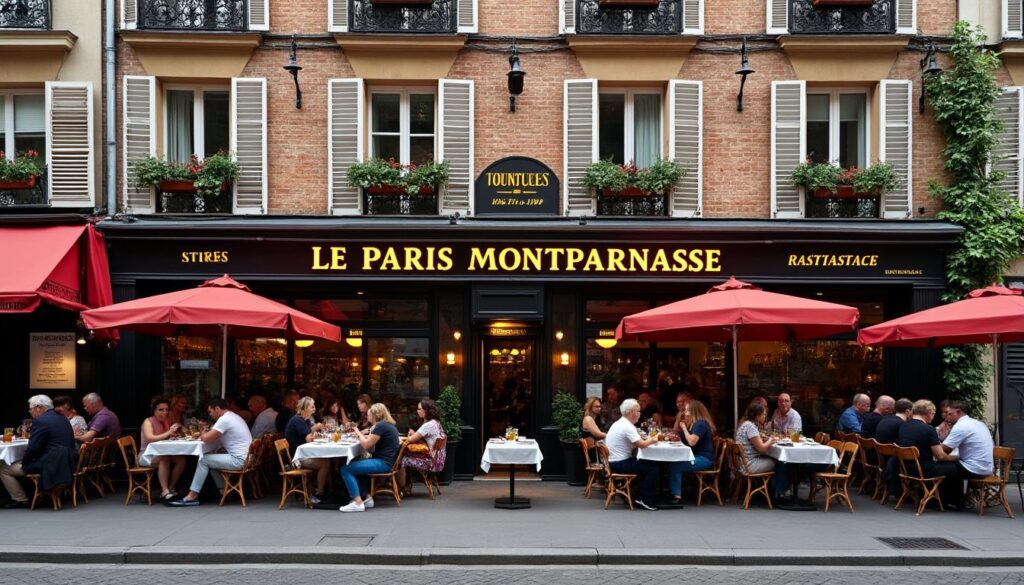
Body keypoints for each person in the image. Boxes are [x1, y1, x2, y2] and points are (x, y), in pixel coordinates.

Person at [168, 398, 253, 507]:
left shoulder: (224, 420)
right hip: (247, 459)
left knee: (204, 460)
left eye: (210, 412)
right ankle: (224, 490)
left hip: (239, 460)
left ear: (217, 409)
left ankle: (192, 496)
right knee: (210, 460)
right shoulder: (233, 416)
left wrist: (202, 430)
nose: (210, 415)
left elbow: (206, 438)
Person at [0, 395, 75, 508]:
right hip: (67, 461)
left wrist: (25, 463)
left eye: (30, 409)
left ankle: (20, 499)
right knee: (18, 461)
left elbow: (33, 448)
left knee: (3, 468)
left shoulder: (41, 420)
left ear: (38, 408)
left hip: (51, 464)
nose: (30, 412)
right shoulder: (62, 417)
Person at [889, 399, 958, 504]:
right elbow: (941, 456)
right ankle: (949, 500)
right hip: (923, 470)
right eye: (933, 414)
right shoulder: (928, 429)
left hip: (905, 468)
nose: (933, 417)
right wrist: (956, 458)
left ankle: (932, 496)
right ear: (929, 413)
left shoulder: (904, 425)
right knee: (954, 467)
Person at [339, 403, 401, 512]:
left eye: (369, 414)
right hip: (386, 461)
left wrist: (356, 430)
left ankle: (357, 502)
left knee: (346, 469)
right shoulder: (388, 425)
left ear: (375, 415)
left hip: (383, 463)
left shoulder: (380, 426)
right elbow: (372, 441)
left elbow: (367, 445)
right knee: (356, 462)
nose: (368, 417)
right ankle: (367, 498)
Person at [605, 398, 659, 511]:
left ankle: (640, 496)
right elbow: (642, 445)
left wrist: (648, 439)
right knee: (653, 467)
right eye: (638, 411)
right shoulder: (627, 426)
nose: (640, 414)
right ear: (631, 412)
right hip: (619, 463)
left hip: (613, 461)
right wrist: (654, 439)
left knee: (648, 464)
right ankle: (646, 500)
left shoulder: (620, 422)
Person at [940, 400, 994, 509]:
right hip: (987, 468)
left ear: (959, 412)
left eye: (950, 414)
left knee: (943, 467)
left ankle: (944, 501)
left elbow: (945, 450)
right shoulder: (978, 423)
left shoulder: (961, 426)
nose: (947, 417)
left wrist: (930, 444)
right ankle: (957, 500)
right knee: (953, 465)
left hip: (975, 469)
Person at [735, 402, 789, 498]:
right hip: (750, 465)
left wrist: (767, 440)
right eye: (764, 414)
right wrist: (771, 439)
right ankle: (778, 493)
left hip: (743, 463)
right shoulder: (750, 427)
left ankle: (773, 489)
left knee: (777, 460)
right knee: (781, 462)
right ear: (757, 415)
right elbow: (762, 449)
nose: (765, 416)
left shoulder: (745, 424)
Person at [139, 396, 186, 501]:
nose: (164, 413)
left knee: (181, 459)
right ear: (154, 410)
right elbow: (150, 438)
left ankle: (171, 487)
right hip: (146, 455)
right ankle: (165, 491)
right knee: (164, 458)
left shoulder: (165, 421)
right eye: (161, 410)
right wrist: (168, 433)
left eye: (166, 410)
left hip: (161, 453)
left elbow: (165, 437)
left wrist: (173, 435)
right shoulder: (148, 422)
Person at [668, 399, 716, 504]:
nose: (685, 413)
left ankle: (676, 496)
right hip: (699, 456)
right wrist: (679, 438)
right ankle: (673, 492)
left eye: (687, 410)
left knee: (675, 465)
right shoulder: (696, 424)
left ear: (693, 411)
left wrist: (684, 429)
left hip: (704, 459)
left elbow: (692, 441)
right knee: (673, 463)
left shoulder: (700, 424)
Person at [285, 396, 329, 503]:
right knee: (325, 463)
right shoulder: (297, 420)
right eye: (311, 406)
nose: (314, 408)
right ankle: (320, 493)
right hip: (297, 458)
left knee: (327, 459)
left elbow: (310, 435)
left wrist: (316, 433)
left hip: (304, 453)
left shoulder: (305, 420)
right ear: (304, 408)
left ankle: (320, 489)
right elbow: (309, 439)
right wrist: (318, 433)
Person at [398, 399, 445, 495]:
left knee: (403, 460)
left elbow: (410, 440)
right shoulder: (436, 422)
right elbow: (422, 437)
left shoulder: (428, 425)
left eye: (419, 409)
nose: (417, 411)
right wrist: (415, 434)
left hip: (430, 462)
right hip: (438, 460)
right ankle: (406, 485)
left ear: (426, 410)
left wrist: (411, 435)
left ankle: (401, 488)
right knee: (407, 455)